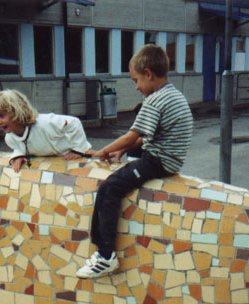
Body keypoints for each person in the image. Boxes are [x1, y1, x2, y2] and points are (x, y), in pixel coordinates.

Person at [76, 45, 193, 279]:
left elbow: (131, 136)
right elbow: (145, 137)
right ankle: (104, 253)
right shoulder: (174, 95)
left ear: (148, 74)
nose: (137, 87)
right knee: (122, 172)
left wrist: (104, 151)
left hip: (159, 161)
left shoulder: (154, 100)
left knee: (109, 188)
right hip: (169, 158)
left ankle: (105, 255)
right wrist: (123, 151)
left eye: (136, 80)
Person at [0, 89, 92, 173]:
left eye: (1, 116)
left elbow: (74, 123)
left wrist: (78, 149)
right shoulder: (10, 138)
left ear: (16, 111)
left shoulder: (46, 123)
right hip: (55, 161)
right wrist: (18, 155)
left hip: (75, 156)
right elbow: (19, 147)